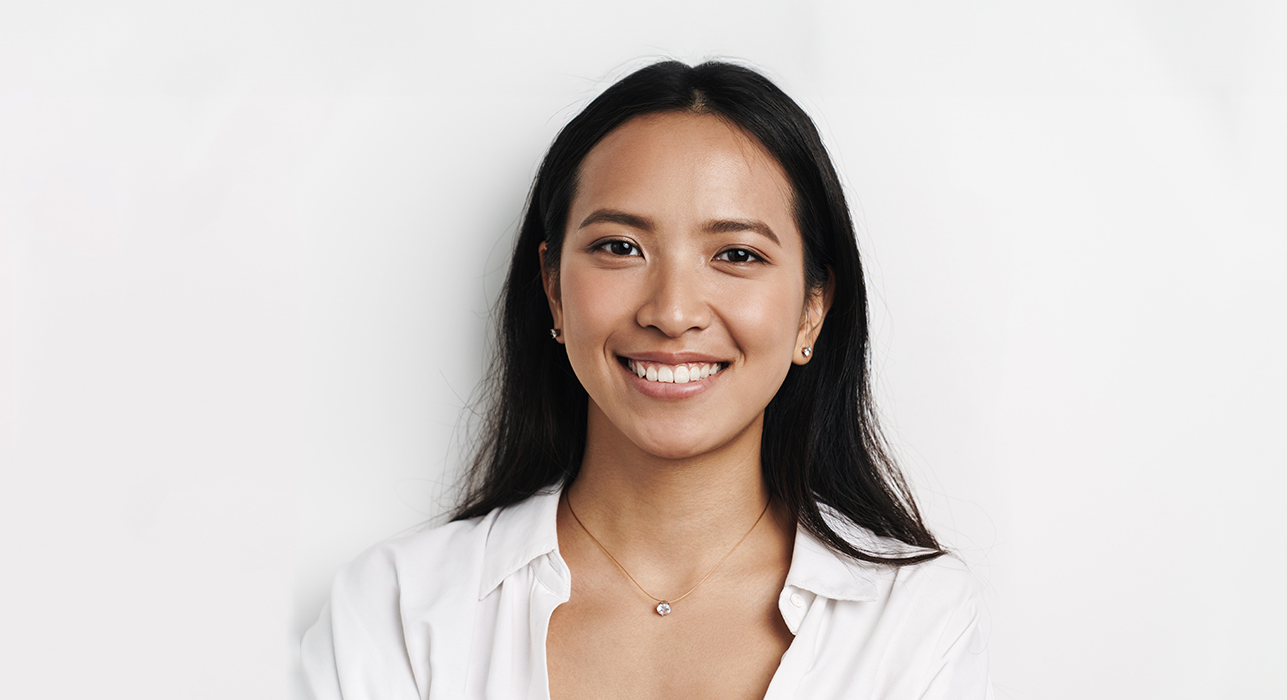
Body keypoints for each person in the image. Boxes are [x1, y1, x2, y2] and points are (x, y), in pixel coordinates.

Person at [299, 59, 990, 699]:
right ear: (554, 291)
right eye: (619, 247)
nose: (672, 311)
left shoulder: (913, 616)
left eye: (737, 254)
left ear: (812, 311)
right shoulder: (397, 608)